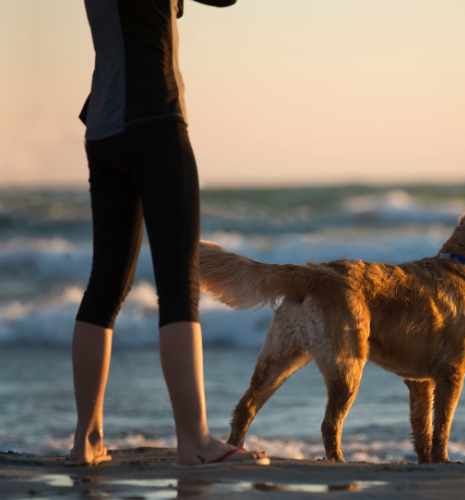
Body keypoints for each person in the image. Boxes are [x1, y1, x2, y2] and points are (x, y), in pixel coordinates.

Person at [69, 0, 263, 466]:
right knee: (178, 285)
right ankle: (194, 440)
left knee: (106, 285)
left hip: (103, 129)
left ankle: (87, 440)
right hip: (155, 121)